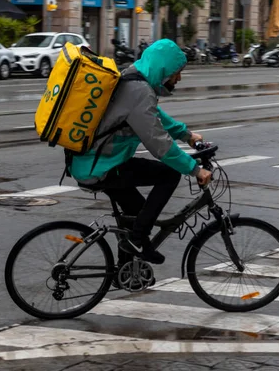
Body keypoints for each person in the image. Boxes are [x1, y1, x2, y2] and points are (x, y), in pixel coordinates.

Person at [68, 39, 212, 265]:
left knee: (136, 212)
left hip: (95, 162)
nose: (179, 78)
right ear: (164, 69)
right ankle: (137, 239)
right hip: (102, 166)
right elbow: (158, 142)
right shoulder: (139, 90)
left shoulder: (135, 77)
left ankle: (125, 269)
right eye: (177, 72)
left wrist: (186, 135)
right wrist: (194, 170)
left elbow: (154, 116)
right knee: (169, 174)